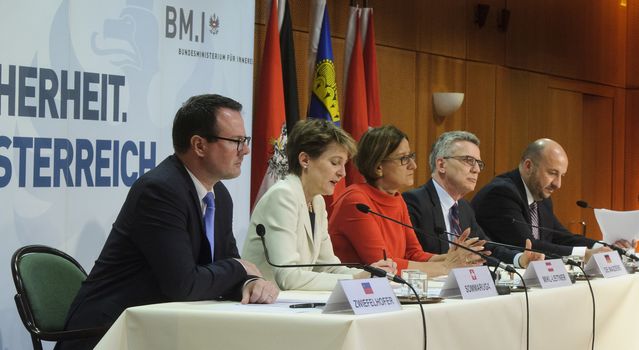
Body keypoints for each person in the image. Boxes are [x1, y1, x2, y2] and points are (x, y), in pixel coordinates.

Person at [57, 94, 279, 350]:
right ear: (199, 145)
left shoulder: (219, 195)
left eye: (245, 140)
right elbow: (184, 284)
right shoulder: (160, 191)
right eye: (236, 141)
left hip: (162, 329)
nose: (246, 150)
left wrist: (250, 284)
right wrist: (240, 269)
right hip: (110, 333)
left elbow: (223, 263)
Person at [242, 119, 395, 291]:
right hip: (262, 306)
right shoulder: (283, 196)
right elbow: (288, 277)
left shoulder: (317, 202)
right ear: (305, 160)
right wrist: (356, 279)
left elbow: (328, 266)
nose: (343, 173)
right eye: (335, 162)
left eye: (344, 164)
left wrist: (370, 273)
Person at [329, 125, 483, 277]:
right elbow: (383, 264)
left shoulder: (397, 199)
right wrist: (445, 267)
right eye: (404, 158)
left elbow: (413, 253)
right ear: (378, 167)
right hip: (354, 293)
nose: (413, 165)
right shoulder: (356, 201)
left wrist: (454, 258)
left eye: (411, 156)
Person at [403, 131, 544, 269]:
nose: (476, 169)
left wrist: (520, 259)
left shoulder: (464, 208)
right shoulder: (414, 202)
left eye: (478, 163)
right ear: (441, 165)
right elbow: (413, 256)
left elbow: (486, 247)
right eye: (469, 161)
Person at [471, 138, 612, 260]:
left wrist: (602, 246)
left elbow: (561, 236)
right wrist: (583, 254)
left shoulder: (541, 196)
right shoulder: (501, 193)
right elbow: (528, 246)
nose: (558, 184)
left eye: (561, 175)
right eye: (552, 173)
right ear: (528, 166)